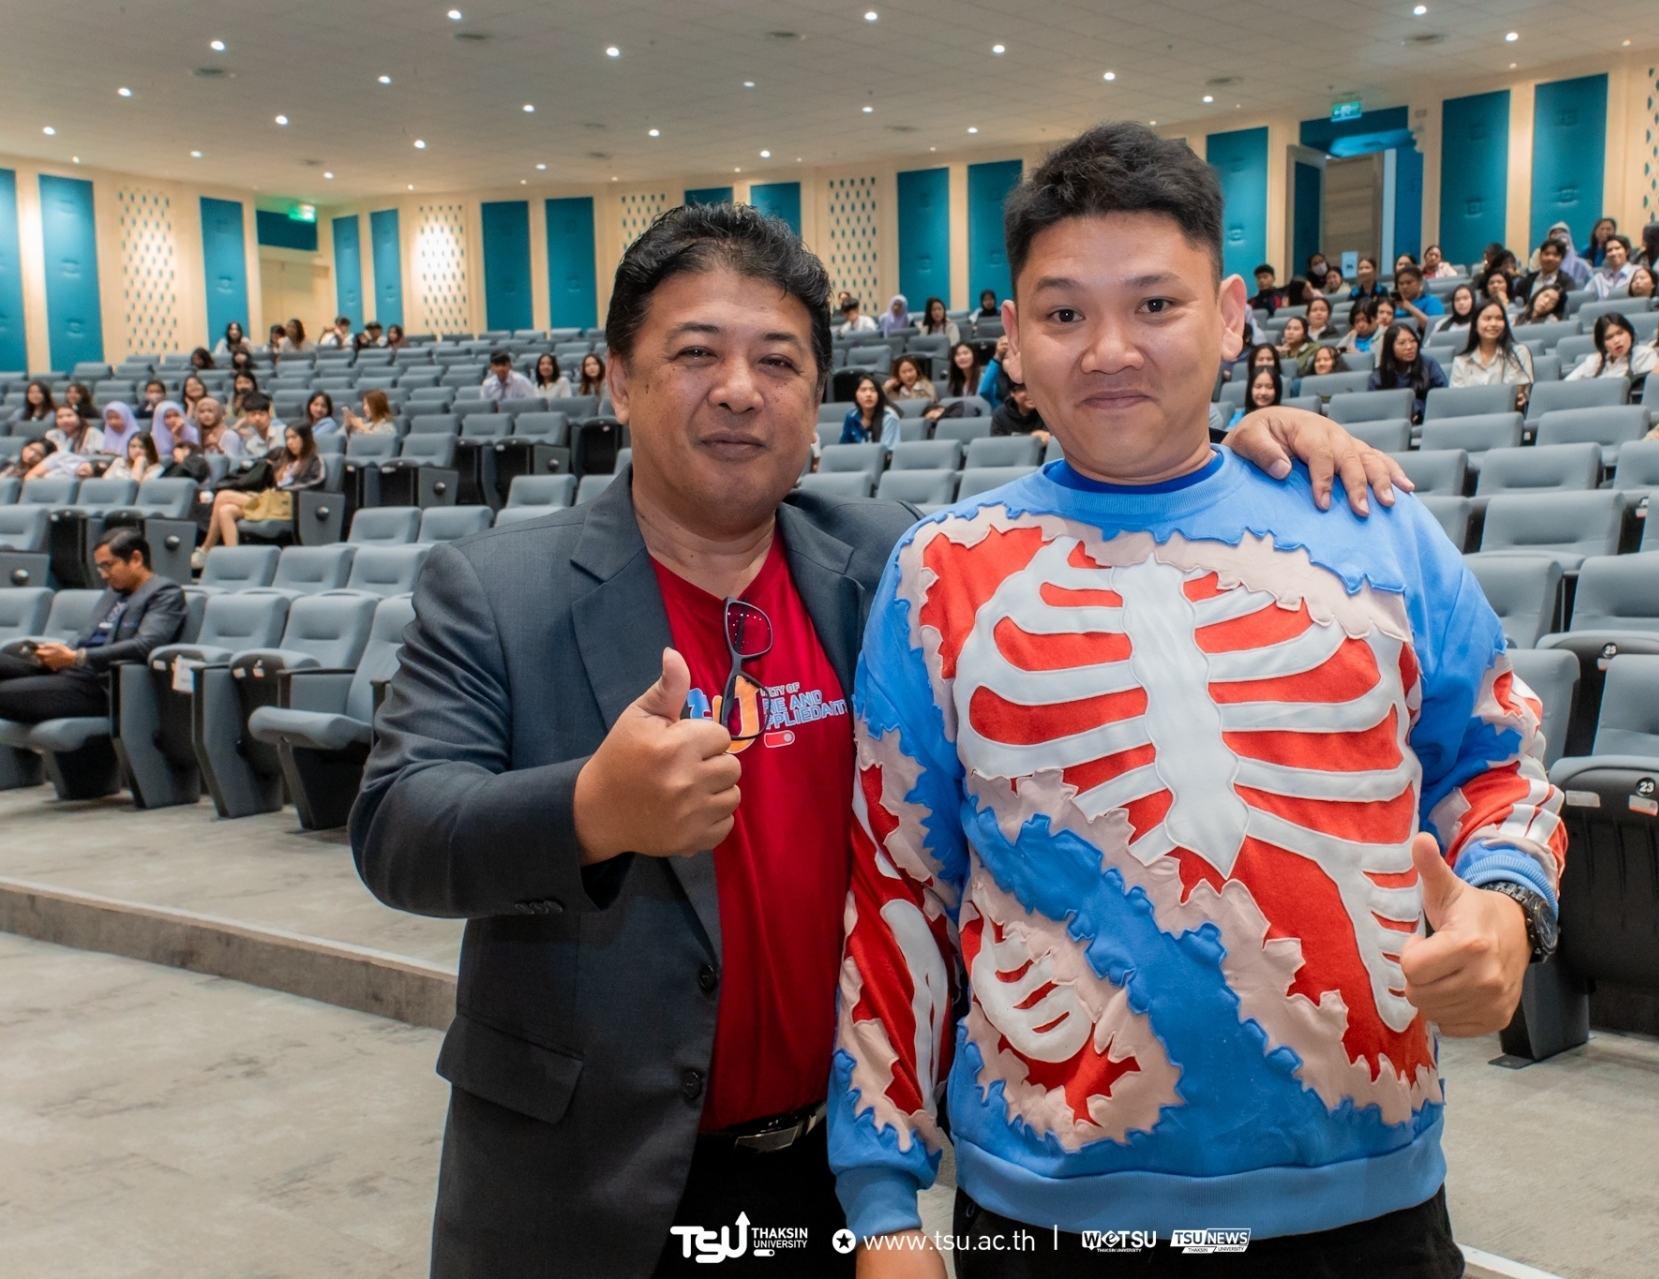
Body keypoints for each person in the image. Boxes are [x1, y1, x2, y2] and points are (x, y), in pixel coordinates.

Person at [343, 196, 1406, 1277]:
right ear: (618, 377)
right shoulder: (498, 591)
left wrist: (1255, 455)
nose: (740, 389)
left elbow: (1102, 517)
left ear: (816, 397)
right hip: (587, 1188)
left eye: (779, 361)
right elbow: (396, 827)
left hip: (825, 1182)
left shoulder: (891, 566)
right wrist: (590, 811)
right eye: (696, 353)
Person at [831, 121, 1561, 1279]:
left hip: (1363, 1202)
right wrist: (880, 1206)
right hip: (1052, 1213)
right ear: (1012, 338)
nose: (1110, 349)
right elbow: (894, 890)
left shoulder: (1373, 526)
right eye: (1064, 314)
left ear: (1228, 316)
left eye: (1155, 305)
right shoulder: (941, 575)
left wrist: (1508, 909)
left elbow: (1498, 767)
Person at [0, 530, 185, 724]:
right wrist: (55, 654)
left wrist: (78, 657)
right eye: (99, 568)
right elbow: (86, 634)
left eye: (108, 565)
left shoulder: (165, 592)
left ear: (136, 559)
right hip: (72, 670)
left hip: (99, 684)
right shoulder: (113, 592)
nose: (103, 575)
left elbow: (146, 645)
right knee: (13, 652)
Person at [195, 422, 322, 564]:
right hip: (270, 501)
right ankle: (234, 560)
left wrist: (284, 490)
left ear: (305, 438)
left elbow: (314, 482)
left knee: (223, 496)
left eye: (294, 437)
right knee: (226, 511)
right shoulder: (286, 460)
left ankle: (206, 549)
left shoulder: (314, 461)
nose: (290, 442)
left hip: (285, 505)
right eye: (287, 438)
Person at [1451, 297, 1535, 407]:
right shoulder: (1461, 361)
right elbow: (1457, 402)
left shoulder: (1518, 353)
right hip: (1470, 415)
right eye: (1487, 318)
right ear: (1475, 324)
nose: (1494, 323)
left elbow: (1514, 398)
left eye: (1499, 318)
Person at [1369, 320, 1449, 420]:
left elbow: (1442, 397)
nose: (1409, 347)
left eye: (1412, 341)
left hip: (1428, 419)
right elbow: (1375, 408)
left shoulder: (1428, 365)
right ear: (1390, 347)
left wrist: (1419, 409)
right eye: (1401, 343)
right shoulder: (1379, 376)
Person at [1567, 313, 1656, 385]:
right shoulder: (1593, 361)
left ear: (1630, 333)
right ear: (1602, 343)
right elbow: (1567, 385)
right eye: (1609, 337)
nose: (1616, 341)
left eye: (1620, 333)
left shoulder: (1643, 355)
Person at [839, 373, 900, 446]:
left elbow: (887, 450)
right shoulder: (851, 415)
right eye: (863, 390)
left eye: (873, 390)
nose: (868, 394)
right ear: (855, 395)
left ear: (879, 395)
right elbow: (843, 446)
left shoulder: (889, 417)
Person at [987, 378, 1048, 444]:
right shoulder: (1001, 414)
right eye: (1024, 389)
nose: (1030, 393)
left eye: (1034, 389)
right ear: (1012, 392)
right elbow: (997, 444)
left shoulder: (1047, 412)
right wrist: (1031, 437)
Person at [232, 391, 284, 457]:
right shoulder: (250, 445)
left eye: (261, 414)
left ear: (269, 415)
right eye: (253, 415)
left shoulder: (283, 432)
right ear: (247, 418)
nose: (257, 418)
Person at [1393, 266, 1442, 333]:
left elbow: (1434, 327)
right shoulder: (1393, 305)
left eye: (1409, 282)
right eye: (1401, 283)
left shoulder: (1432, 301)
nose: (1404, 286)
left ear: (1420, 283)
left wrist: (1409, 307)